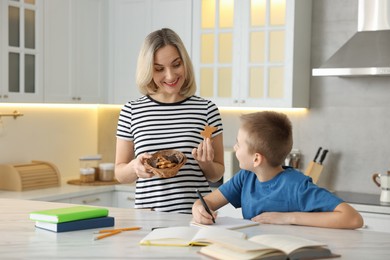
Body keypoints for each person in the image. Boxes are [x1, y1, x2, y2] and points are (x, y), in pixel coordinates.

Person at [115, 28, 224, 214]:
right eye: (159, 69)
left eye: (176, 64)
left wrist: (206, 164)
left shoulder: (207, 110)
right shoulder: (132, 111)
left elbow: (217, 173)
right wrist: (135, 167)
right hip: (148, 218)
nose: (171, 76)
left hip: (196, 218)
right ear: (148, 70)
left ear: (185, 63)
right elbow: (120, 173)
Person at [192, 111, 364, 229]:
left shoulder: (296, 185)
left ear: (256, 159)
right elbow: (208, 202)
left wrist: (288, 218)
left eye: (239, 143)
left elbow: (353, 218)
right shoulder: (245, 177)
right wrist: (199, 209)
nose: (235, 147)